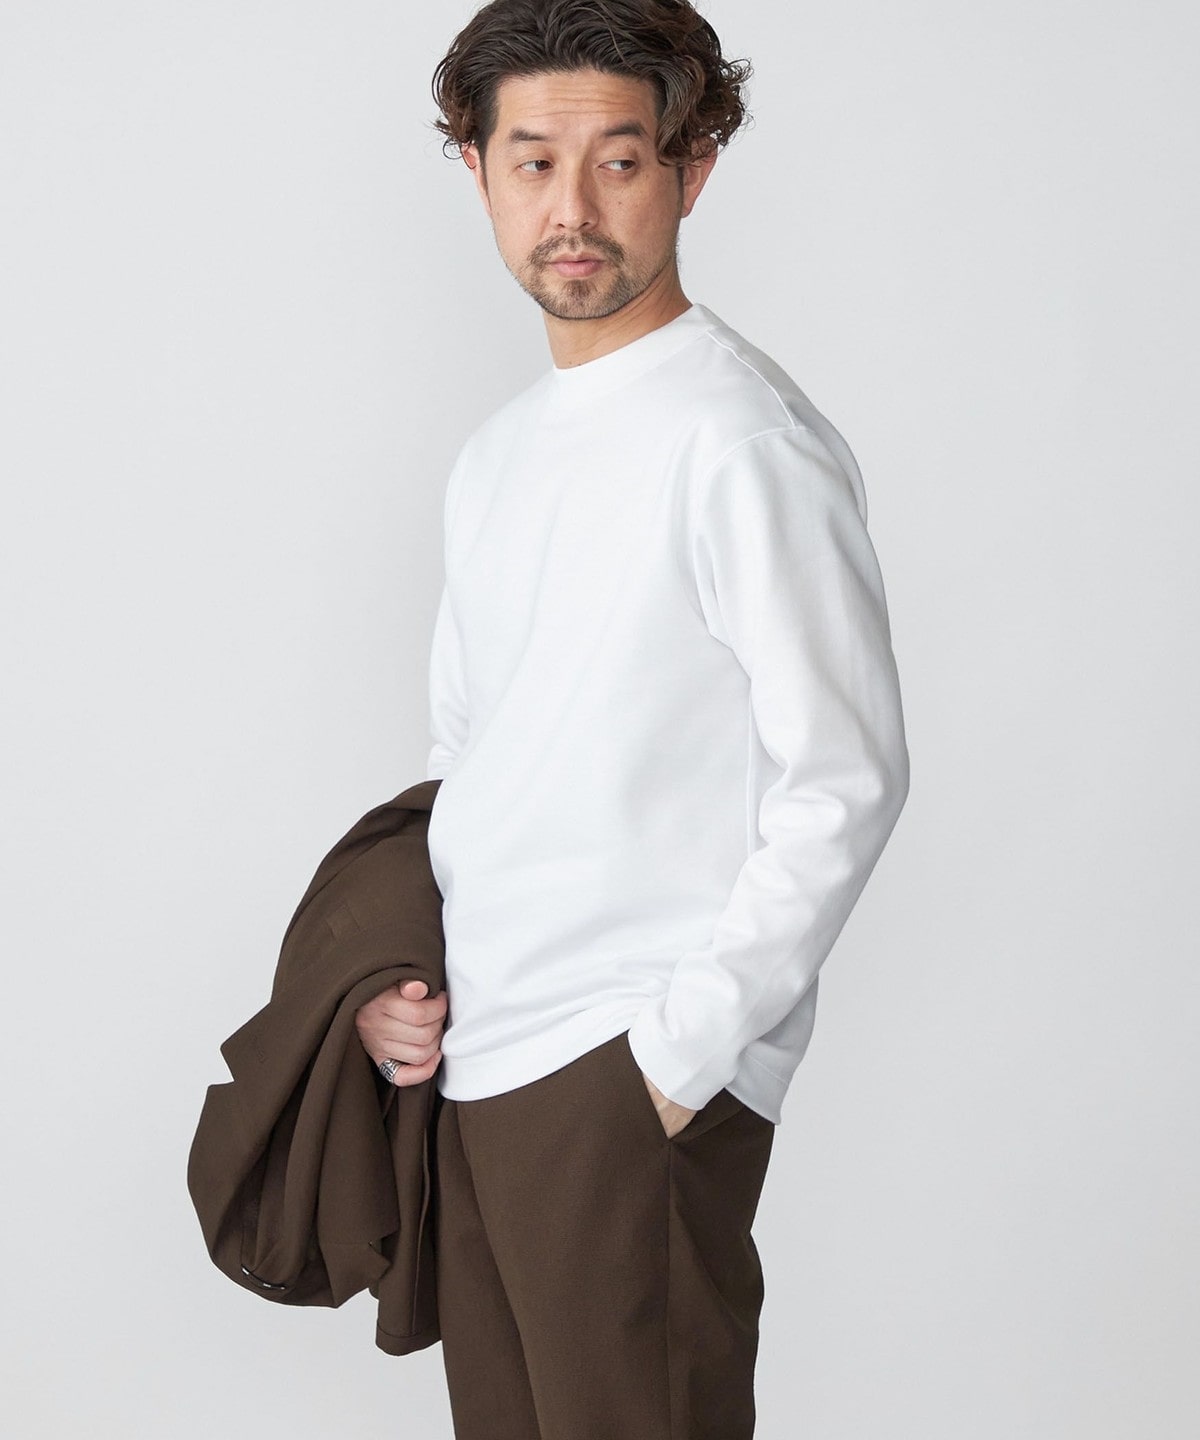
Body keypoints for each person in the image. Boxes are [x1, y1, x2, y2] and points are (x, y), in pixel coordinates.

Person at [355, 2, 909, 1435]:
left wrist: (679, 1058)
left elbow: (845, 778)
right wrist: (418, 976)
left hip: (629, 1074)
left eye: (619, 160)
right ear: (478, 173)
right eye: (533, 162)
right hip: (483, 1069)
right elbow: (467, 761)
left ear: (691, 169)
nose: (574, 210)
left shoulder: (741, 441)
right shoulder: (496, 459)